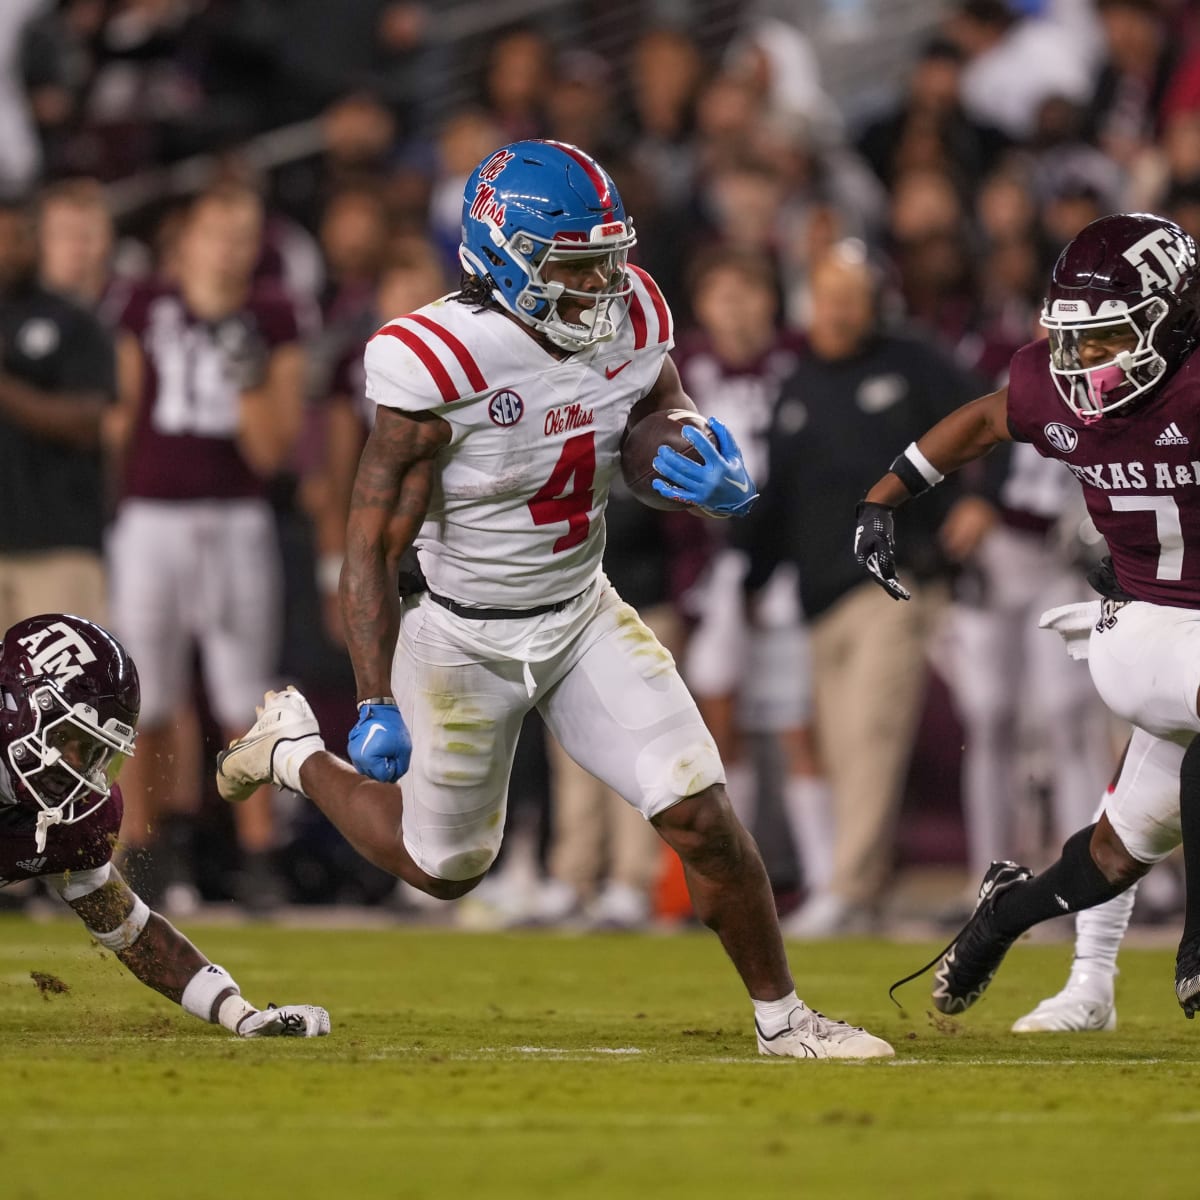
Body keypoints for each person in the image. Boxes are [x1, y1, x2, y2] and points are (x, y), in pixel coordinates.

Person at [218, 139, 893, 1060]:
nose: (604, 286)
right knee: (444, 869)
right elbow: (370, 544)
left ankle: (784, 1020)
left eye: (611, 259)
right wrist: (373, 697)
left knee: (699, 811)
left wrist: (692, 454)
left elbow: (653, 412)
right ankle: (293, 753)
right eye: (578, 267)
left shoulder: (632, 314)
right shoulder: (439, 362)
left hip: (581, 612)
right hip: (460, 635)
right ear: (502, 257)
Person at [855, 210, 1200, 1018]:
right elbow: (981, 422)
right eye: (1077, 339)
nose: (1083, 363)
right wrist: (884, 499)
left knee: (1116, 854)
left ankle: (1004, 916)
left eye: (1111, 339)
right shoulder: (1052, 384)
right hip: (1145, 621)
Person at [741, 239, 989, 936]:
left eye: (851, 297)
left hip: (894, 582)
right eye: (828, 297)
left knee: (870, 735)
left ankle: (847, 888)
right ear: (809, 304)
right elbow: (778, 495)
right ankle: (858, 887)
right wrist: (752, 578)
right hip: (818, 593)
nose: (839, 311)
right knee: (841, 742)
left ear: (873, 301)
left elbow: (995, 416)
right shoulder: (797, 382)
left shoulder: (913, 360)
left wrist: (984, 498)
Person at [109, 181, 306, 912]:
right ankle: (148, 851)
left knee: (243, 695)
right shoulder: (143, 305)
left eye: (244, 234)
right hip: (151, 515)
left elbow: (272, 450)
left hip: (234, 515)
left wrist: (248, 365)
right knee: (144, 697)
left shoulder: (274, 314)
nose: (230, 249)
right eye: (218, 232)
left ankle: (259, 858)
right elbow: (119, 421)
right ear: (186, 238)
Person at [0, 612, 329, 1038]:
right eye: (69, 741)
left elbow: (133, 932)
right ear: (17, 709)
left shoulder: (77, 816)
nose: (82, 769)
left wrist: (237, 1013)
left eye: (96, 751)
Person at [0, 193, 116, 631]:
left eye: (18, 235)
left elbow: (86, 422)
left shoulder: (73, 320)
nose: (8, 247)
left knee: (63, 692)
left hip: (58, 542)